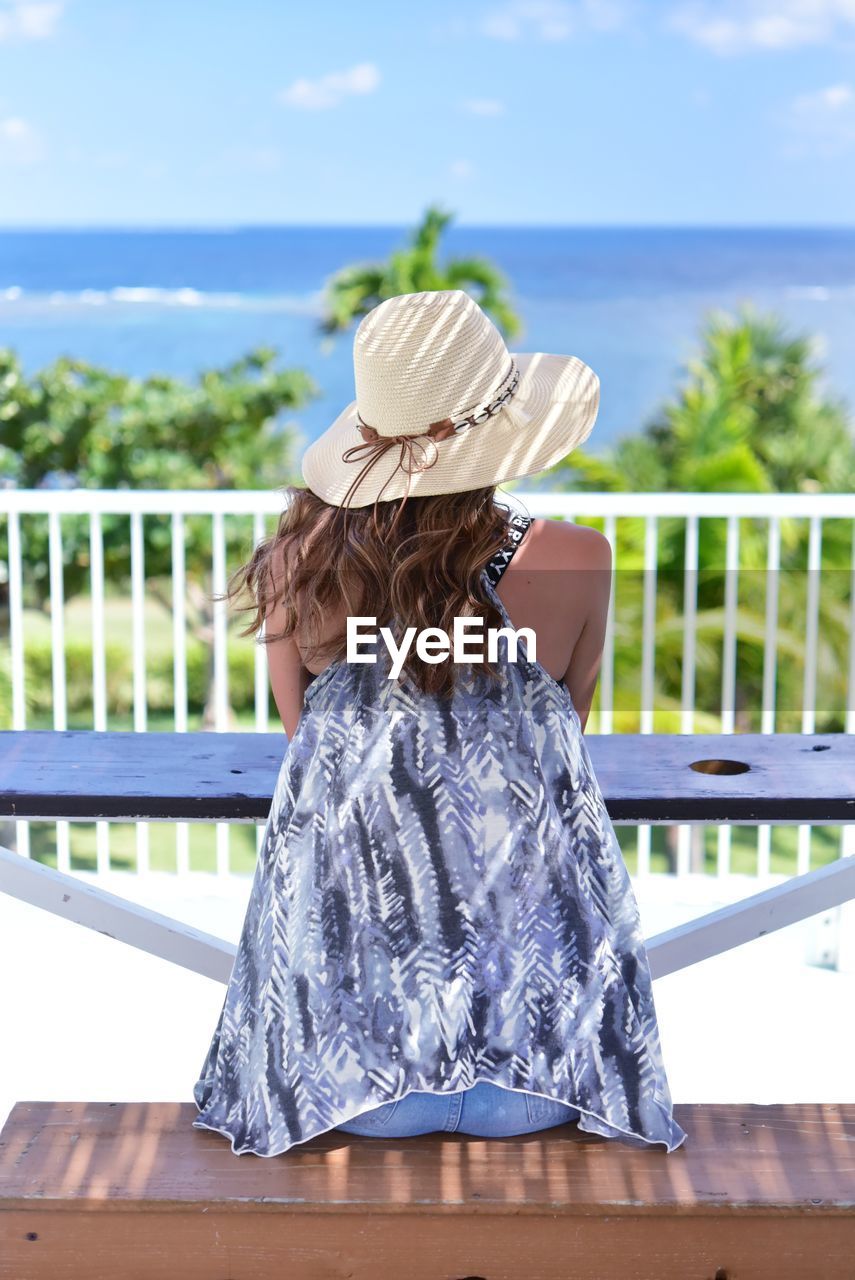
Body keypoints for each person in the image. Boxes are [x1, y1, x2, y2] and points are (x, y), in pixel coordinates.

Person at [191, 289, 688, 1156]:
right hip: (534, 1077)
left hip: (345, 1085)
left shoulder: (296, 567)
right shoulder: (578, 558)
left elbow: (300, 736)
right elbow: (560, 735)